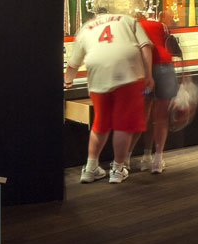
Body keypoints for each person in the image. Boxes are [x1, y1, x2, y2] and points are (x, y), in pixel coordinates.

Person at [63, 10, 153, 184]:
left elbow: (73, 63)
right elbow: (145, 46)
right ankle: (118, 170)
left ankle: (90, 169)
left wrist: (68, 81)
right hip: (127, 72)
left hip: (97, 73)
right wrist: (148, 74)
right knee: (123, 124)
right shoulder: (127, 20)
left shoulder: (86, 28)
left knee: (100, 123)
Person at [134, 11, 178, 173]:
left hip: (144, 69)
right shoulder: (159, 25)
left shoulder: (132, 26)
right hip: (164, 67)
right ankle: (157, 160)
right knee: (160, 117)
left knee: (144, 116)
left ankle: (140, 157)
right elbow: (170, 42)